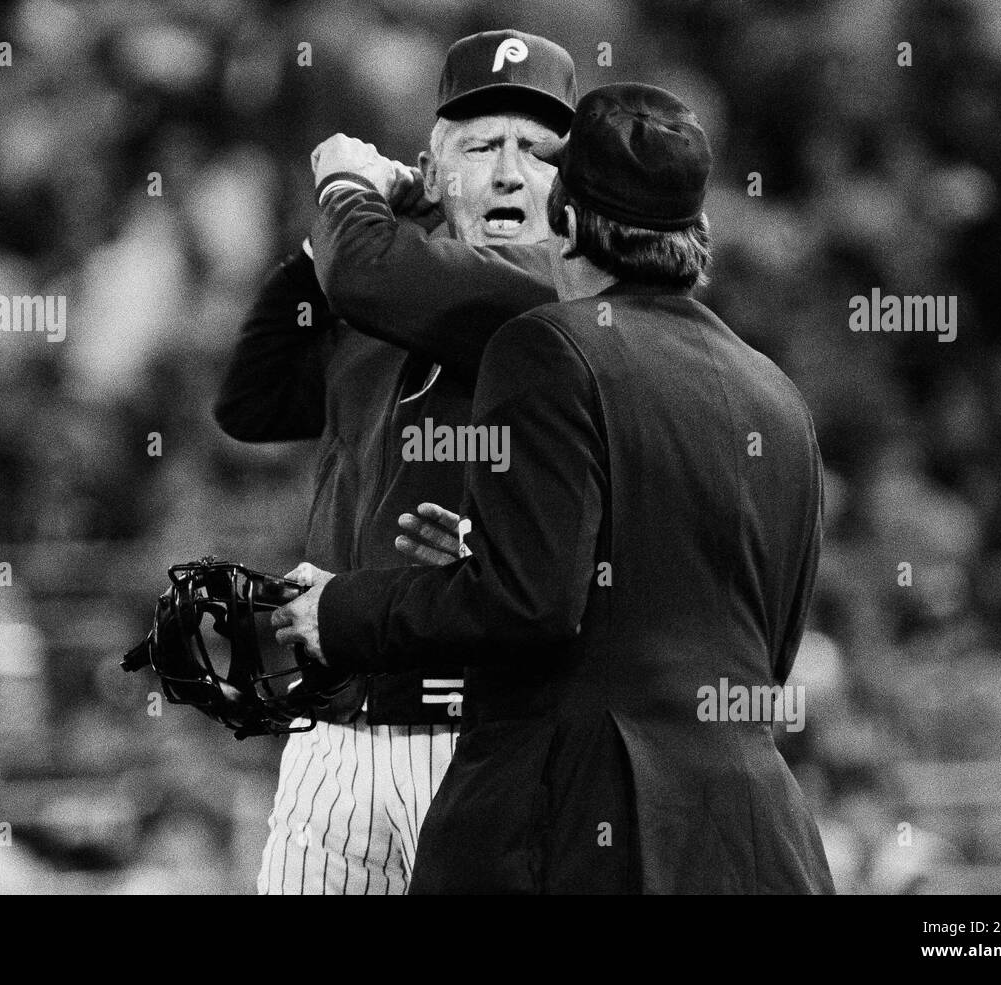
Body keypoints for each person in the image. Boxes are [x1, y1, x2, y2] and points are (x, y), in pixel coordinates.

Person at [272, 83, 836, 894]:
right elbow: (756, 644)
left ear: (565, 221)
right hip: (755, 835)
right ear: (697, 233)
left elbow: (530, 606)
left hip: (575, 828)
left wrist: (346, 611)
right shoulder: (777, 395)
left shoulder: (547, 346)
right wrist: (489, 558)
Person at [214, 30, 575, 893]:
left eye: (538, 150)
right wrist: (320, 248)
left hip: (482, 737)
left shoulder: (552, 292)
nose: (510, 172)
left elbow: (376, 275)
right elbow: (251, 401)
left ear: (572, 187)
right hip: (335, 734)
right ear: (430, 169)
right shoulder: (377, 291)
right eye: (482, 146)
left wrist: (346, 191)